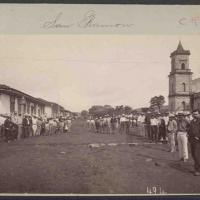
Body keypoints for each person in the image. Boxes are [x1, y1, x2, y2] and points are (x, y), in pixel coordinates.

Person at [188, 110, 200, 176]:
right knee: (193, 155)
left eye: (196, 114)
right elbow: (190, 129)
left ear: (199, 114)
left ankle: (198, 170)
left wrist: (198, 137)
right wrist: (188, 134)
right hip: (192, 140)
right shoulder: (192, 121)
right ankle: (196, 168)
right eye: (193, 114)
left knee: (197, 155)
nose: (194, 115)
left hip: (198, 141)